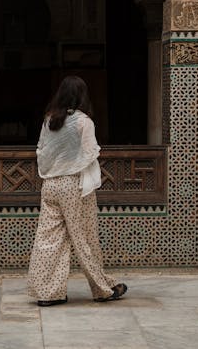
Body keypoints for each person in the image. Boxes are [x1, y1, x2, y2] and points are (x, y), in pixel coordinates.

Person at [27, 75, 127, 306]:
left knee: (48, 239)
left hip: (50, 185)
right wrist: (75, 163)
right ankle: (103, 289)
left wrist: (56, 167)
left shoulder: (49, 120)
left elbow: (41, 151)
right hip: (74, 186)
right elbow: (91, 152)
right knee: (85, 238)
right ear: (82, 96)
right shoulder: (84, 122)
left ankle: (47, 293)